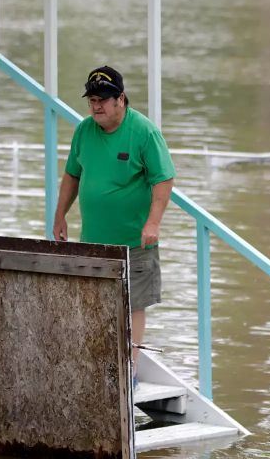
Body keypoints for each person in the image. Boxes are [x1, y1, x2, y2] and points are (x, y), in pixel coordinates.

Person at [53, 66, 175, 387]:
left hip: (135, 241)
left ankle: (129, 370)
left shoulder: (144, 132)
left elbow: (163, 179)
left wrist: (153, 222)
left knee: (134, 305)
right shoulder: (84, 131)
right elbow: (72, 175)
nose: (96, 107)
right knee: (94, 304)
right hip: (93, 241)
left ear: (121, 99)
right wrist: (59, 214)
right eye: (92, 100)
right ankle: (98, 363)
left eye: (103, 100)